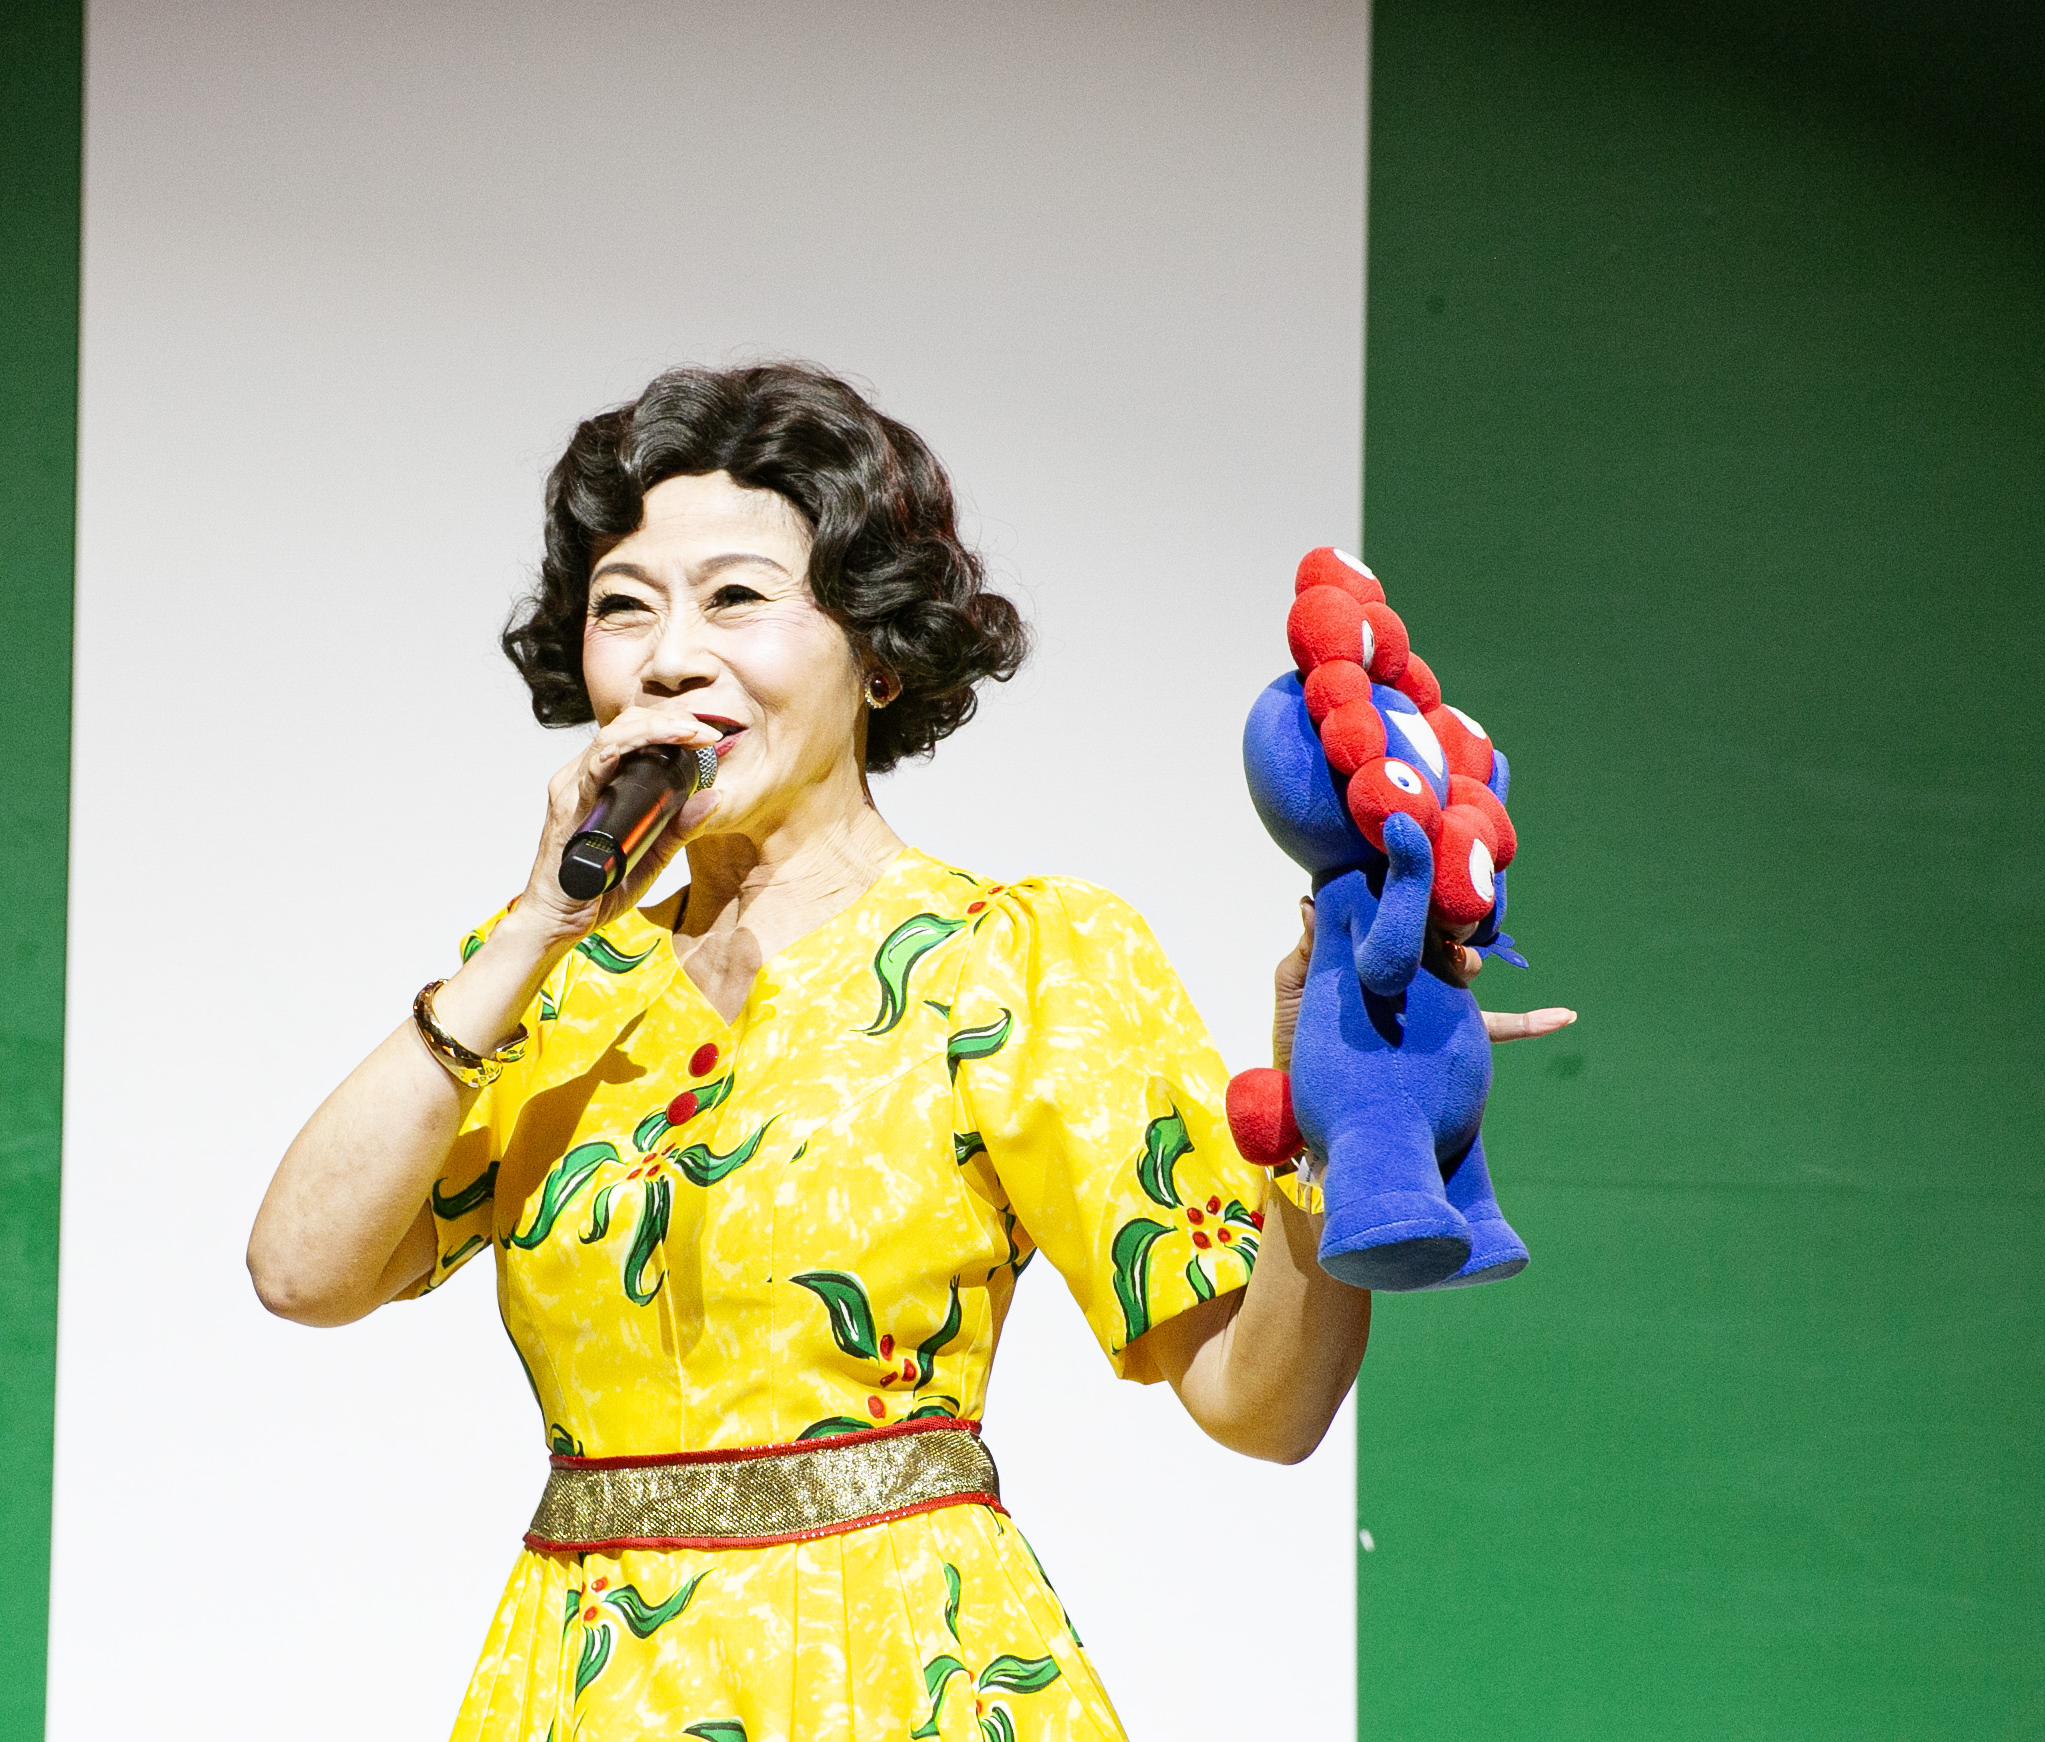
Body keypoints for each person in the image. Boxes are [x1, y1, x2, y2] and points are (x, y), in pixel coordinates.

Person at [247, 362, 1573, 1739]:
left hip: (897, 1675)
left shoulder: (1014, 960)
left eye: (735, 598)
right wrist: (535, 925)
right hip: (588, 1689)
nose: (668, 656)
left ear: (876, 651)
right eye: (622, 606)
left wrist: (1332, 1121)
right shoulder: (551, 989)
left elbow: (1259, 1402)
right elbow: (300, 1271)